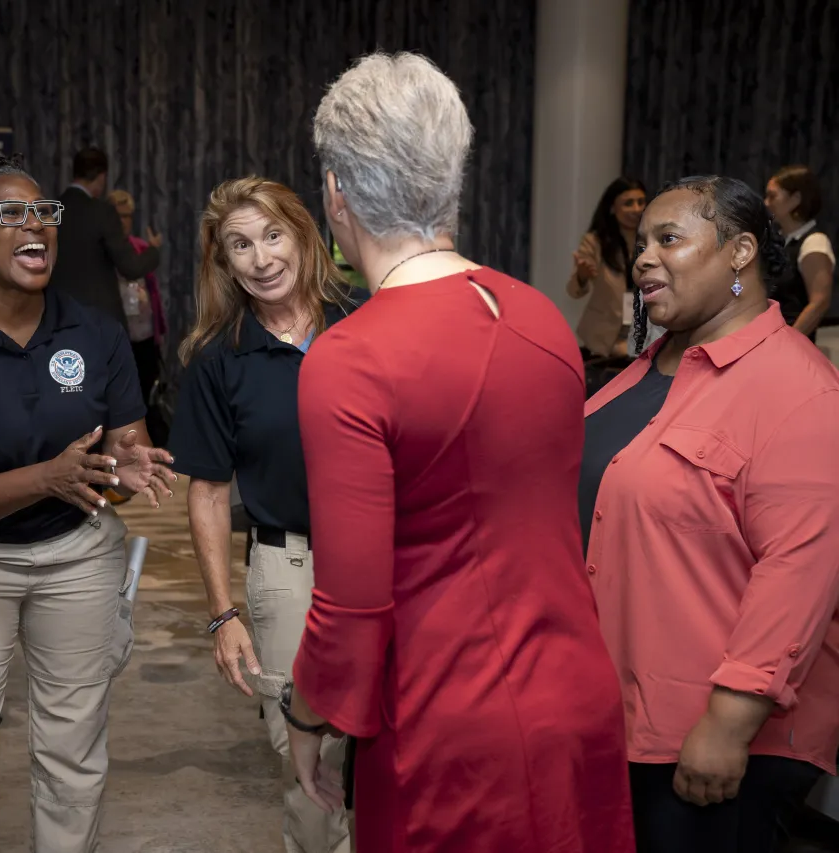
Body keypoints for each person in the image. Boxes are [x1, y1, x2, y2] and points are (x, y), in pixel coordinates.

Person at [287, 53, 636, 852]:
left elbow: (351, 606)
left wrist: (307, 714)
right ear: (453, 173)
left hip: (448, 721)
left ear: (337, 194)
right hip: (577, 692)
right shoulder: (539, 313)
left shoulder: (350, 359)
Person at [0, 146, 175, 853]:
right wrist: (48, 476)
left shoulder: (97, 334)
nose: (36, 226)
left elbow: (122, 444)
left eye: (44, 212)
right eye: (11, 214)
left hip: (75, 555)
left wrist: (129, 464)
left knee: (72, 757)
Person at [582, 175, 839, 852]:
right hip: (620, 713)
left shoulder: (797, 388)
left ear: (740, 253)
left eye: (669, 238)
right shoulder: (650, 368)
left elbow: (801, 568)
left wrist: (728, 722)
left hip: (711, 738)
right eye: (640, 244)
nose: (643, 258)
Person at [168, 176, 368, 853]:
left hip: (390, 562)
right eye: (239, 245)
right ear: (223, 262)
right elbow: (206, 491)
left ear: (304, 234)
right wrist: (224, 614)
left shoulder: (366, 322)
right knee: (310, 760)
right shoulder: (218, 360)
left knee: (397, 744)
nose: (260, 258)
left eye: (272, 235)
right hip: (291, 569)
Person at [49, 147, 163, 326]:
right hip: (99, 323)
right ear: (102, 176)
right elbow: (131, 267)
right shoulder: (103, 213)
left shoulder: (50, 211)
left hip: (58, 319)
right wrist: (154, 250)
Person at [567, 177, 648, 357]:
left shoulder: (652, 239)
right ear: (612, 208)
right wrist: (582, 275)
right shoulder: (595, 242)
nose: (636, 209)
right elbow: (574, 291)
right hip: (606, 333)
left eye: (641, 202)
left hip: (645, 327)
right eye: (628, 203)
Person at [107, 188, 168, 408]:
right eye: (118, 215)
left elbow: (153, 293)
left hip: (144, 337)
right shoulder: (101, 251)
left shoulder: (141, 247)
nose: (123, 221)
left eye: (127, 216)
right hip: (115, 339)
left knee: (146, 401)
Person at [764, 164, 834, 339]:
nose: (766, 202)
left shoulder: (814, 242)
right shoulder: (777, 240)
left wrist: (789, 342)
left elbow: (819, 303)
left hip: (790, 349)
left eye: (773, 196)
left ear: (795, 199)